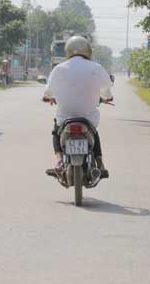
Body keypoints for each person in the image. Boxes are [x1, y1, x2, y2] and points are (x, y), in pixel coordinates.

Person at [42, 35, 114, 178]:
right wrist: (107, 97)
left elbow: (49, 90)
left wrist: (48, 97)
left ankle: (59, 162)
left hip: (64, 117)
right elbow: (107, 87)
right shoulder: (96, 67)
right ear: (88, 50)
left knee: (56, 132)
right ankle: (99, 163)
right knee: (93, 132)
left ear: (68, 50)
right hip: (88, 117)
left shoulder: (59, 68)